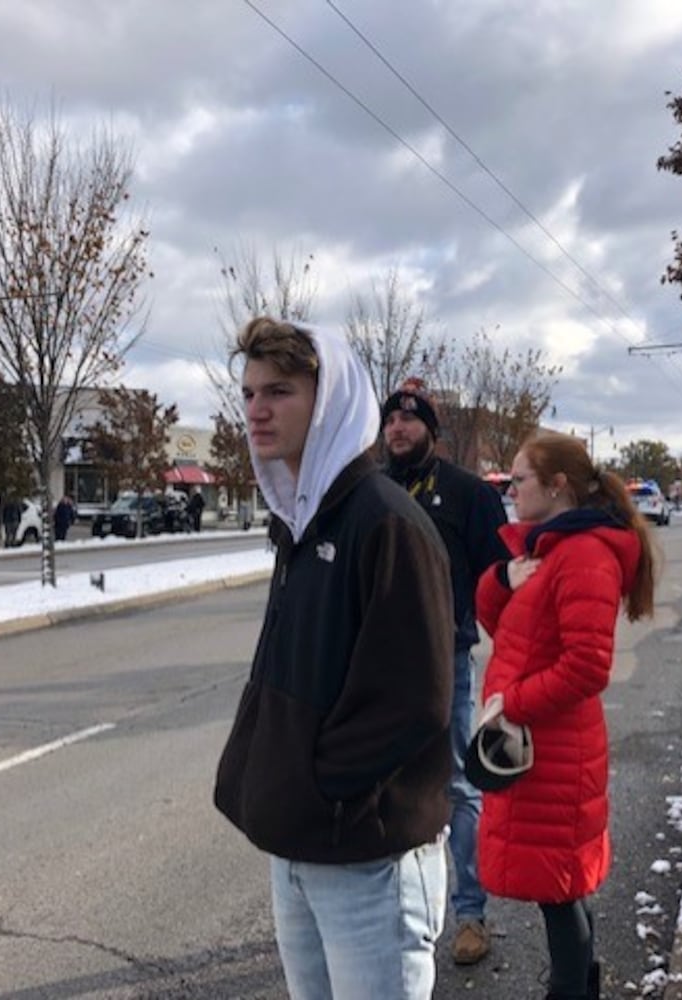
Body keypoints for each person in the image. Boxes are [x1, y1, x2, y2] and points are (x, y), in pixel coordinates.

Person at [214, 317, 455, 1000]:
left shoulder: (385, 524)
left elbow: (415, 701)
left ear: (331, 402)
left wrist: (316, 787)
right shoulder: (300, 523)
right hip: (301, 846)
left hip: (367, 857)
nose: (257, 409)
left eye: (280, 391)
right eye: (250, 392)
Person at [474, 432, 659, 1000]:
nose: (511, 490)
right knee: (560, 886)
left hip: (552, 747)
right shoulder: (550, 549)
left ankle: (572, 990)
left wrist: (514, 705)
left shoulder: (583, 556)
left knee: (558, 891)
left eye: (519, 480)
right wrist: (503, 578)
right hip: (541, 745)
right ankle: (580, 985)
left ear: (556, 486)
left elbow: (587, 667)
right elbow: (504, 627)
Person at [381, 376, 509, 966]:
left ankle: (470, 914)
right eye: (390, 422)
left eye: (409, 421)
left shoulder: (468, 494)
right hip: (380, 669)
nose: (397, 429)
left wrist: (510, 655)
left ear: (432, 431)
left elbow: (499, 580)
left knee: (458, 787)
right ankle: (399, 913)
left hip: (447, 662)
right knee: (389, 787)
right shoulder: (372, 492)